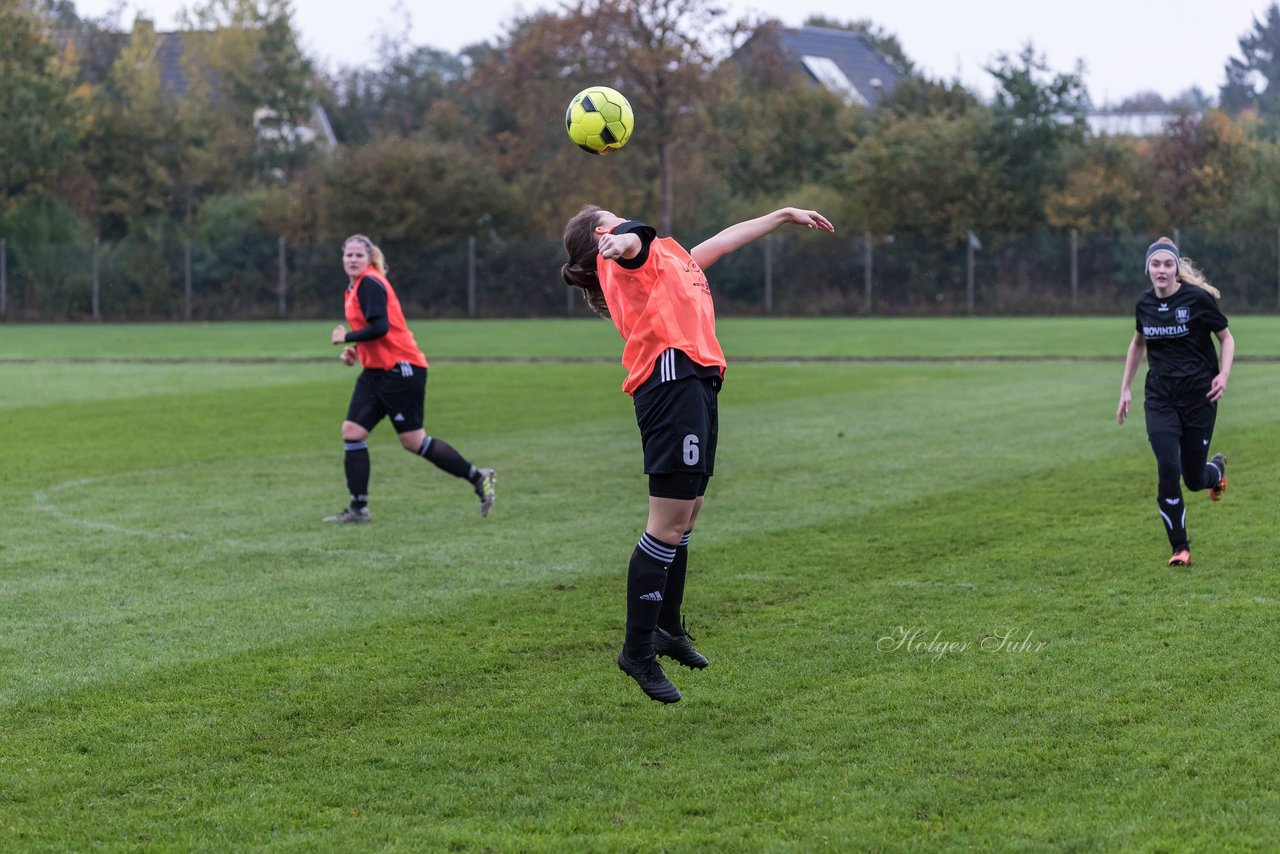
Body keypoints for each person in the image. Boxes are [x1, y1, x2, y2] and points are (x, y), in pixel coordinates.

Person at [562, 205, 835, 703]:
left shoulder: (666, 256)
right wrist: (616, 241)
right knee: (666, 522)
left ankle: (667, 629)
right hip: (670, 381)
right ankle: (637, 651)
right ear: (601, 234)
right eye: (610, 217)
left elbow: (724, 241)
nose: (620, 218)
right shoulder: (624, 253)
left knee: (688, 514)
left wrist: (781, 215)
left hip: (698, 380)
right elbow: (629, 242)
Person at [324, 234, 495, 523]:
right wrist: (355, 350)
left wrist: (347, 337)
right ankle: (358, 509)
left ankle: (478, 477)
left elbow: (380, 327)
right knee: (352, 432)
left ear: (369, 259)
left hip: (402, 370)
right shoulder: (354, 287)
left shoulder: (371, 283)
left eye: (358, 255)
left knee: (414, 441)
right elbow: (375, 333)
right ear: (342, 258)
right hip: (377, 372)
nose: (352, 259)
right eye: (348, 255)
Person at [1116, 237, 1234, 567]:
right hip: (1160, 399)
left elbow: (1226, 337)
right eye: (1156, 264)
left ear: (1176, 269)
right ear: (1148, 269)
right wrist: (1125, 388)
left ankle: (1217, 471)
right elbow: (1137, 344)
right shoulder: (1144, 304)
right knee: (1168, 469)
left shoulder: (1197, 299)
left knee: (1194, 479)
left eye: (1168, 264)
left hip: (1200, 399)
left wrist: (1223, 375)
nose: (1162, 270)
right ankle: (1180, 548)